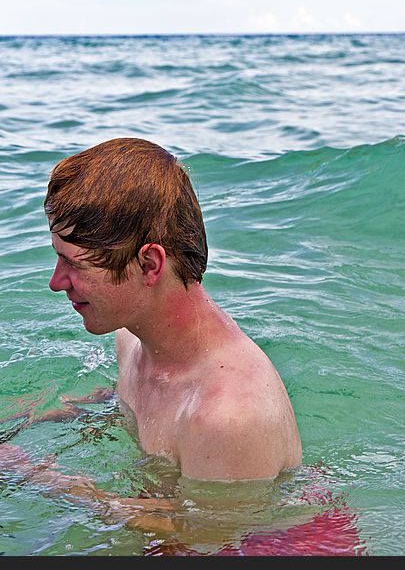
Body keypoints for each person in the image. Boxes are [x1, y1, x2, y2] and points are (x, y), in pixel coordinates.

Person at [44, 138, 302, 481]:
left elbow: (210, 533)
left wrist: (45, 479)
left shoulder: (226, 416)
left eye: (75, 264)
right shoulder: (131, 339)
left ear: (150, 264)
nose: (57, 281)